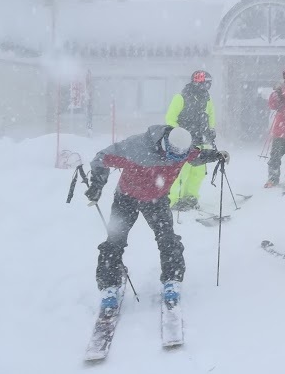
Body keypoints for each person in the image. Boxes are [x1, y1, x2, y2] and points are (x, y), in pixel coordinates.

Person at [83, 125, 228, 312]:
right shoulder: (136, 147)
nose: (174, 160)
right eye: (172, 155)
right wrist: (97, 185)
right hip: (126, 197)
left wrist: (216, 155)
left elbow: (195, 156)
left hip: (156, 200)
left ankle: (172, 279)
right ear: (165, 143)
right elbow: (101, 158)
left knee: (167, 239)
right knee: (115, 241)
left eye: (179, 157)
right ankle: (110, 285)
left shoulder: (183, 150)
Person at [166, 70, 217, 211]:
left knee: (198, 173)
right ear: (197, 83)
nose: (207, 87)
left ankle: (190, 198)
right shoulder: (181, 98)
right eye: (205, 83)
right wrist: (180, 136)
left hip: (200, 141)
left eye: (209, 84)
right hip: (183, 143)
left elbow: (210, 114)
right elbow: (170, 119)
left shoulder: (207, 99)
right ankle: (173, 201)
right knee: (181, 172)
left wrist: (211, 130)